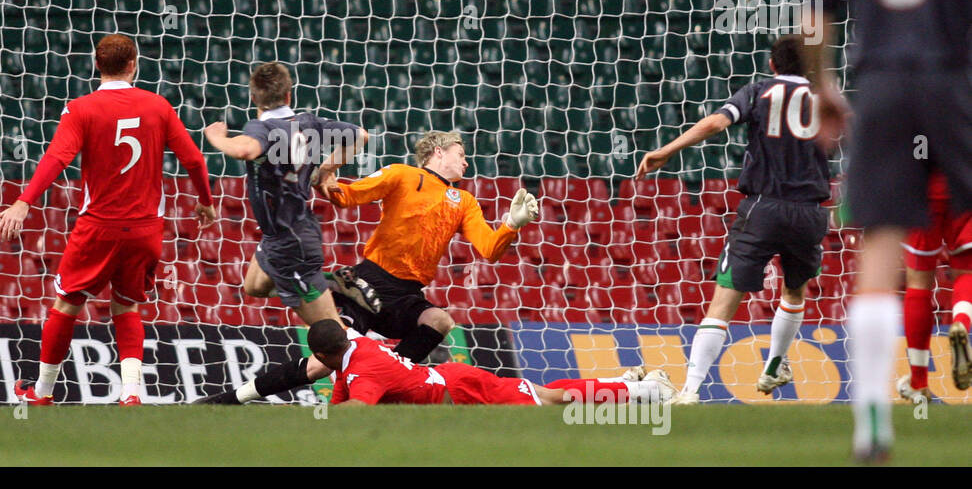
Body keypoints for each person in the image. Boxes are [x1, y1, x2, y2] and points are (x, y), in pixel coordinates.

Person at [802, 0, 972, 460]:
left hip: (880, 84)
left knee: (879, 250)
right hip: (956, 81)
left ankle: (872, 418)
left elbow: (815, 13)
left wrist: (824, 88)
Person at [196, 130, 539, 404]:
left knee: (439, 320)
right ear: (438, 152)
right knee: (318, 365)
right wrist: (326, 178)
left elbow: (489, 249)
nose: (466, 163)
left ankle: (389, 380)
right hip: (366, 285)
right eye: (460, 155)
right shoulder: (402, 175)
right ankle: (230, 399)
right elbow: (346, 195)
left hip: (406, 294)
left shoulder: (464, 201)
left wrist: (512, 224)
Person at [0, 34, 216, 406]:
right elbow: (195, 160)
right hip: (146, 228)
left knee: (67, 303)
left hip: (98, 226)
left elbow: (57, 158)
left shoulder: (81, 108)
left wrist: (24, 202)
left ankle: (43, 392)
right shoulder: (158, 106)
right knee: (127, 304)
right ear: (133, 64)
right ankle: (130, 394)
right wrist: (206, 203)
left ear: (97, 66)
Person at [636, 34, 830, 404]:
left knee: (724, 298)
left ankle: (691, 390)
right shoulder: (826, 99)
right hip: (809, 212)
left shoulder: (759, 91)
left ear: (773, 65)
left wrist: (666, 150)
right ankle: (774, 363)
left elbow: (715, 124)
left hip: (763, 206)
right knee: (794, 290)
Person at [199, 62, 367, 403]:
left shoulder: (262, 128)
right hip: (281, 236)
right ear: (289, 93)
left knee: (334, 341)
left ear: (253, 97)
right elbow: (360, 136)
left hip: (292, 245)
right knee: (255, 286)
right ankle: (331, 286)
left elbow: (246, 149)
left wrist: (217, 137)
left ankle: (375, 381)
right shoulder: (307, 122)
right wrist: (327, 170)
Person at [305, 319, 676, 406]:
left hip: (460, 389)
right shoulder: (354, 350)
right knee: (541, 394)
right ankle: (624, 380)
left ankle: (646, 391)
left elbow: (356, 407)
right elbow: (338, 405)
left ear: (322, 355)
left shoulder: (361, 369)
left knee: (549, 400)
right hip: (448, 380)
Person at [897, 170, 972, 402]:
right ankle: (961, 324)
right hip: (965, 183)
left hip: (923, 188)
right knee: (967, 272)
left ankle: (919, 382)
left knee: (919, 283)